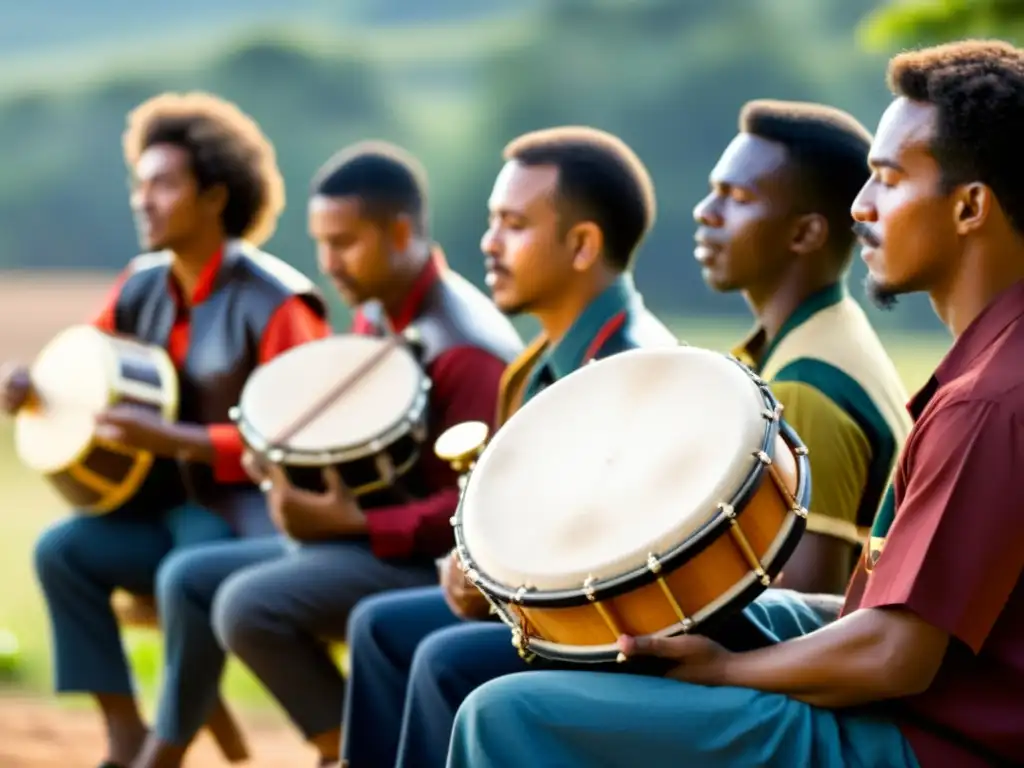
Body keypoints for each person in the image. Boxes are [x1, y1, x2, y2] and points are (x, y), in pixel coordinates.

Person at [447, 39, 1024, 768]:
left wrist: (727, 669)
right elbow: (894, 622)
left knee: (505, 712)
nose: (860, 206)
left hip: (924, 745)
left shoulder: (989, 402)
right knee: (723, 622)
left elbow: (895, 656)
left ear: (970, 206)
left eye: (887, 180)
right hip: (927, 711)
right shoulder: (994, 369)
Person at [130, 141, 524, 768]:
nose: (328, 263)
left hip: (427, 565)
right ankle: (179, 750)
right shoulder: (377, 313)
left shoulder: (465, 349)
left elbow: (473, 509)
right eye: (321, 242)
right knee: (189, 578)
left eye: (344, 243)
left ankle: (353, 748)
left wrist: (351, 523)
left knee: (248, 605)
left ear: (400, 232)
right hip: (363, 541)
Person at [0, 92, 332, 768]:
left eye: (163, 184)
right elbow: (80, 373)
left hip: (242, 518)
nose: (142, 199)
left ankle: (165, 751)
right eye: (138, 184)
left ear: (215, 196)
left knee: (188, 572)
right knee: (62, 550)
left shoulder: (278, 303)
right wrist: (31, 387)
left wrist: (180, 443)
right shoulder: (139, 286)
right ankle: (124, 733)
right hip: (161, 512)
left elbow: (307, 440)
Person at [340, 126, 678, 768]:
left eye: (514, 225)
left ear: (582, 245)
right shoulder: (535, 367)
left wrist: (496, 588)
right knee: (378, 628)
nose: (489, 244)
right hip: (540, 606)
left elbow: (623, 570)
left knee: (443, 660)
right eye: (494, 222)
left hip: (615, 636)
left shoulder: (633, 369)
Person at [693, 98, 912, 595]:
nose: (705, 213)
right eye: (712, 193)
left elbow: (804, 608)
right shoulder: (821, 335)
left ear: (806, 232)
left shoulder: (806, 385)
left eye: (736, 197)